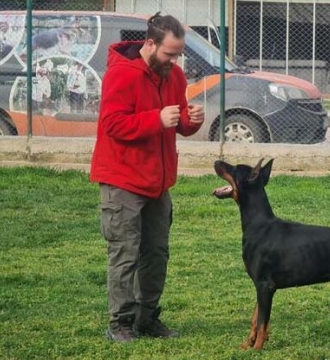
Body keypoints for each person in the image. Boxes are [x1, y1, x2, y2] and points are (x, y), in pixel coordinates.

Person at [89, 12, 205, 343]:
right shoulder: (121, 75)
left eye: (178, 54)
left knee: (156, 252)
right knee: (125, 253)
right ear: (150, 43)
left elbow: (179, 124)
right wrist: (156, 119)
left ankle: (146, 318)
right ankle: (120, 324)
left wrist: (191, 119)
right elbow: (112, 125)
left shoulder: (175, 76)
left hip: (158, 182)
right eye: (169, 53)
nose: (174, 60)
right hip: (122, 180)